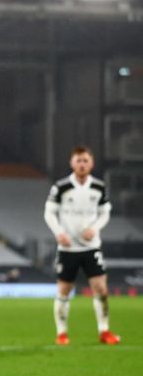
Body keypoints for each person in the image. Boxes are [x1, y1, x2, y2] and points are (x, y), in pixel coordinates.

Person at [44, 145, 120, 346]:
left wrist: (94, 228)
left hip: (91, 247)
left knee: (101, 289)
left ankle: (104, 331)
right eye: (78, 160)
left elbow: (105, 212)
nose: (82, 164)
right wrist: (59, 233)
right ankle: (62, 333)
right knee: (63, 290)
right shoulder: (61, 187)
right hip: (68, 248)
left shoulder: (99, 187)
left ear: (92, 163)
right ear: (72, 163)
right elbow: (49, 212)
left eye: (86, 160)